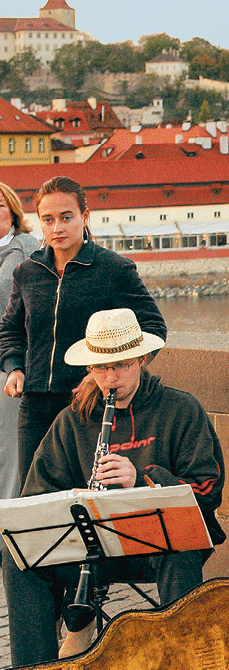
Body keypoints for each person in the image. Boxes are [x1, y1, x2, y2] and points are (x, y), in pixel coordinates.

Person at [2, 309, 225, 670]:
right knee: (18, 559)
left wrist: (143, 479)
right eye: (100, 368)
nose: (110, 378)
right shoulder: (73, 419)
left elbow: (208, 488)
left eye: (120, 365)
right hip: (91, 549)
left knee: (181, 552)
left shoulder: (180, 409)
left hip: (157, 547)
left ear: (141, 358)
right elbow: (35, 496)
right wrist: (74, 499)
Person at [0, 177, 167, 485]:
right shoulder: (27, 271)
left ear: (84, 217)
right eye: (48, 220)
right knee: (33, 496)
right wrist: (14, 368)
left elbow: (154, 328)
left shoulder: (114, 269)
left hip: (89, 402)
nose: (57, 228)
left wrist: (100, 374)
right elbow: (9, 330)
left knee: (85, 492)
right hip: (35, 404)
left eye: (66, 217)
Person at [0, 183, 42, 499]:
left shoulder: (26, 248)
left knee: (9, 457)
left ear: (13, 211)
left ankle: (7, 541)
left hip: (11, 367)